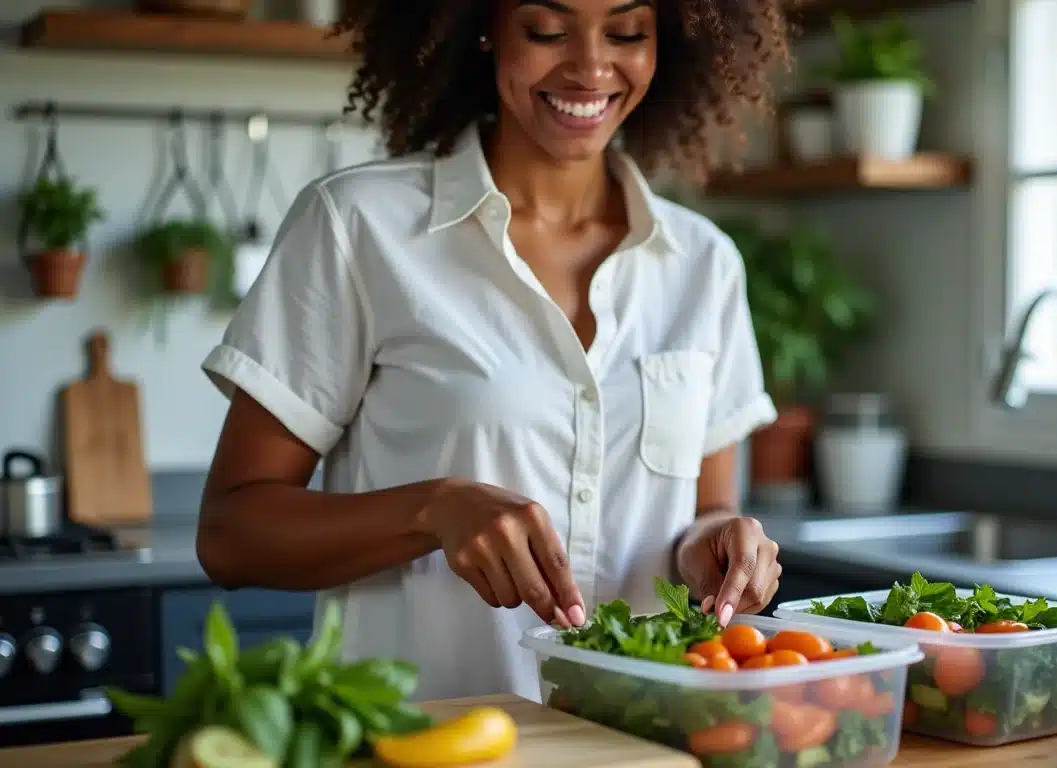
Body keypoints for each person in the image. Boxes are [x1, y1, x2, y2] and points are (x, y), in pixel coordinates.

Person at [196, 0, 792, 701]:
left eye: (627, 33)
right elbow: (232, 535)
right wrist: (433, 509)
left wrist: (720, 546)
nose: (591, 66)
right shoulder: (359, 228)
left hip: (637, 740)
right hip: (420, 742)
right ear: (484, 28)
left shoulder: (702, 262)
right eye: (547, 31)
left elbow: (708, 510)